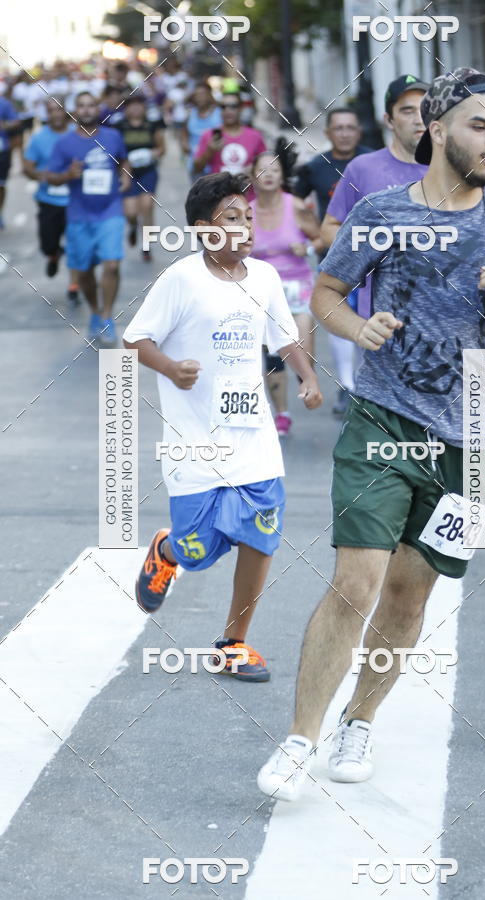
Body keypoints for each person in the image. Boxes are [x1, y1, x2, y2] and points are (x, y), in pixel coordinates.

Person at [258, 67, 485, 801]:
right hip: (384, 417)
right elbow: (325, 292)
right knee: (355, 584)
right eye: (479, 125)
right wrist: (361, 325)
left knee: (410, 599)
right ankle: (298, 741)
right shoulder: (381, 211)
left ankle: (361, 720)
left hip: (472, 435)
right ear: (438, 129)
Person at [122, 172, 322, 682]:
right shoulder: (181, 279)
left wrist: (307, 376)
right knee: (198, 549)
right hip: (193, 441)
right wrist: (170, 368)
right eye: (232, 219)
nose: (245, 227)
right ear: (205, 230)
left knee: (260, 537)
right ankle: (167, 550)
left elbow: (284, 338)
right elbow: (135, 339)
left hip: (253, 437)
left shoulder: (265, 279)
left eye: (248, 217)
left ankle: (234, 642)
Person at [322, 75, 429, 321]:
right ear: (388, 120)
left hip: (441, 311)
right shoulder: (362, 168)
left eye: (425, 110)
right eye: (407, 111)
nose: (418, 119)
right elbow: (330, 226)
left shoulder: (451, 169)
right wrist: (367, 252)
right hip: (379, 317)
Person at [294, 108, 371, 415]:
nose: (344, 133)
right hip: (335, 257)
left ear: (359, 132)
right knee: (340, 321)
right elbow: (296, 203)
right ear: (327, 133)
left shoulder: (372, 163)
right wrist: (316, 235)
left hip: (374, 259)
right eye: (338, 128)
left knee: (370, 320)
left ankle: (369, 386)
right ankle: (348, 386)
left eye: (350, 127)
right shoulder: (316, 166)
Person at [250, 144, 322, 437]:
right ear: (253, 176)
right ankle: (281, 413)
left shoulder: (295, 205)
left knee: (303, 350)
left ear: (282, 176)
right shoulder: (245, 211)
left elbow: (320, 238)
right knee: (272, 355)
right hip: (263, 290)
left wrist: (306, 247)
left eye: (275, 170)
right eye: (262, 170)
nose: (268, 175)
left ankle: (308, 382)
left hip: (298, 287)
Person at [46, 91, 129, 343]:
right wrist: (67, 175)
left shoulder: (113, 137)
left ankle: (107, 316)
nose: (86, 109)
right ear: (75, 111)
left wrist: (125, 177)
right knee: (83, 272)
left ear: (98, 109)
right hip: (79, 214)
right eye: (81, 105)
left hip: (110, 209)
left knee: (112, 264)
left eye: (91, 105)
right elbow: (51, 176)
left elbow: (123, 161)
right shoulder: (64, 144)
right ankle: (94, 311)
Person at [22, 98, 80, 302]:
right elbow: (27, 167)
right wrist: (42, 176)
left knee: (76, 244)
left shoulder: (78, 133)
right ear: (46, 114)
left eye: (58, 110)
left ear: (65, 111)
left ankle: (74, 285)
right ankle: (54, 253)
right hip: (48, 200)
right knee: (47, 244)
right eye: (50, 111)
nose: (55, 114)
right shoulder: (39, 138)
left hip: (76, 200)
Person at [115, 95, 166, 261]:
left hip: (148, 171)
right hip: (126, 172)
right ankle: (132, 226)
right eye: (132, 105)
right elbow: (114, 152)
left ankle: (147, 244)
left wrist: (152, 153)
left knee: (147, 205)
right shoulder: (119, 127)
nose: (136, 109)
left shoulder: (151, 126)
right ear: (126, 108)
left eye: (139, 105)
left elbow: (162, 148)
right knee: (130, 211)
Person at [194, 92, 266, 176]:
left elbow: (266, 166)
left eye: (233, 106)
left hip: (247, 188)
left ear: (241, 108)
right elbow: (197, 168)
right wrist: (209, 151)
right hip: (218, 188)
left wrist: (255, 168)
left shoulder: (255, 136)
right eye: (223, 107)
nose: (227, 110)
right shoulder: (208, 135)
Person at [182, 82, 221, 178]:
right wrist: (185, 145)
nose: (200, 98)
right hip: (195, 164)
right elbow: (184, 133)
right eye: (197, 95)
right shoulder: (191, 113)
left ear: (209, 96)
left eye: (203, 94)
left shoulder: (219, 114)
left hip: (214, 165)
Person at [0, 92, 21, 228]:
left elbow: (17, 121)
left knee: (1, 185)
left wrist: (5, 126)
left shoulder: (3, 103)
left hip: (2, 151)